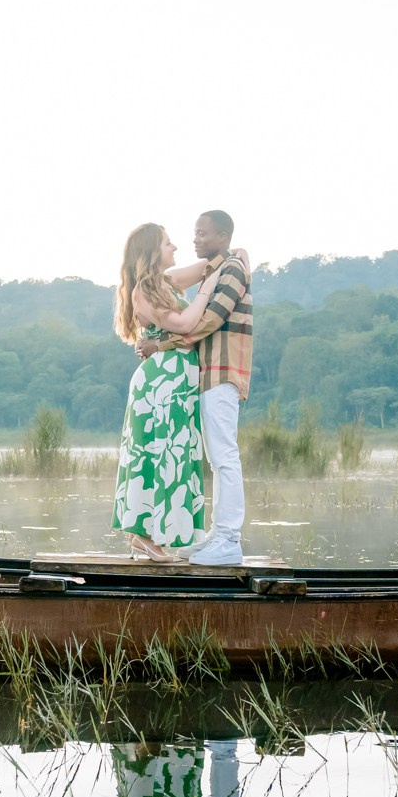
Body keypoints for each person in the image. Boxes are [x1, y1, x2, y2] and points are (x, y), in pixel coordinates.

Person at [140, 210, 252, 566]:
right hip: (207, 374)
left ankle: (229, 540)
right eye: (194, 233)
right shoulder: (217, 268)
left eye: (203, 234)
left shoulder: (232, 268)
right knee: (216, 459)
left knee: (225, 458)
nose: (195, 240)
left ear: (223, 236)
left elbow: (210, 320)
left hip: (223, 371)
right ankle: (216, 537)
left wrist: (162, 345)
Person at [112, 223, 225, 561]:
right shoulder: (143, 292)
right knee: (159, 454)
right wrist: (209, 290)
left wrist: (232, 258)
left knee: (176, 454)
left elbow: (208, 266)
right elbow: (185, 324)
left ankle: (152, 536)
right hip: (161, 382)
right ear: (150, 251)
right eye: (167, 243)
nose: (174, 247)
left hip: (178, 380)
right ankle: (142, 535)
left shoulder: (165, 282)